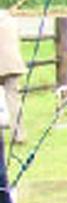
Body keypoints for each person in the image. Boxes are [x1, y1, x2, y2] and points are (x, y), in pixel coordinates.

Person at [0, 9, 28, 144]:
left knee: (12, 100)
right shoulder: (10, 20)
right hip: (13, 63)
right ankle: (19, 135)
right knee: (13, 100)